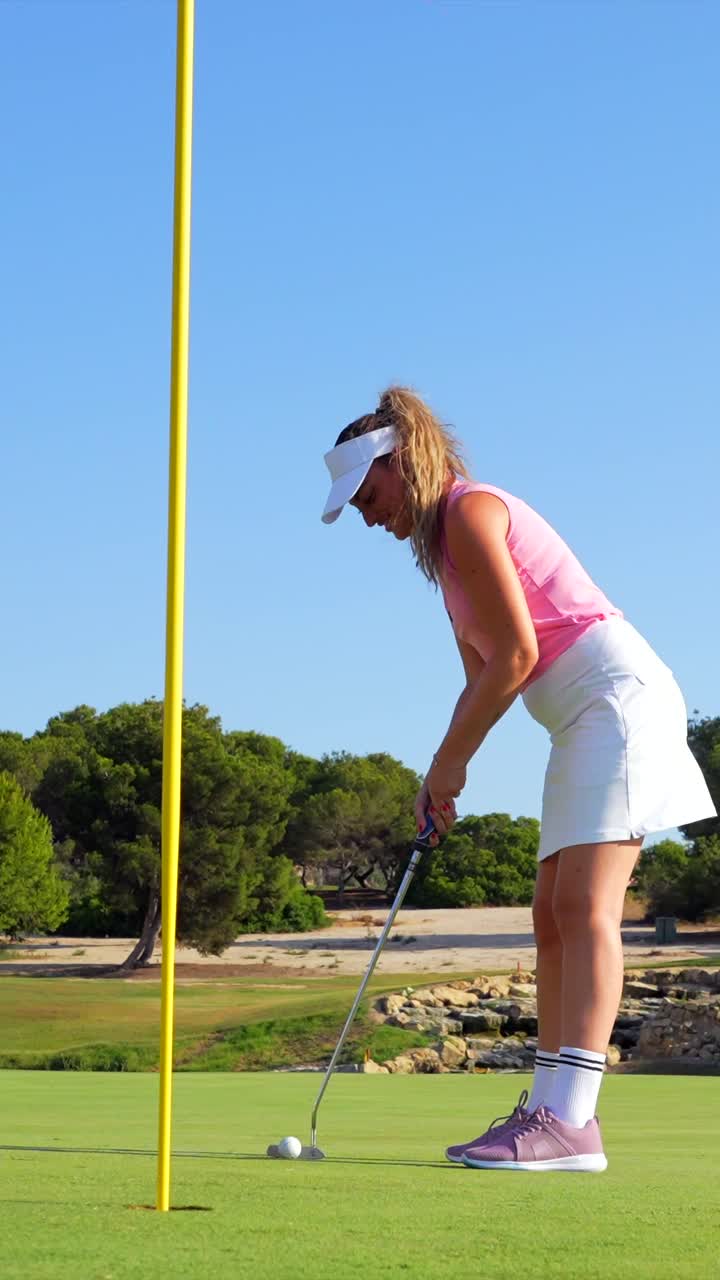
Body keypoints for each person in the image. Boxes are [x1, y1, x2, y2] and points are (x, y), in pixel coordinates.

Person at [320, 385, 716, 1173]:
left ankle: (574, 1122)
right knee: (548, 913)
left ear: (403, 464)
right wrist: (443, 783)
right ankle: (545, 1112)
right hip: (576, 720)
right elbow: (482, 680)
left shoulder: (473, 512)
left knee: (583, 904)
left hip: (617, 698)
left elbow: (517, 658)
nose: (368, 515)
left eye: (369, 495)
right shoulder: (444, 561)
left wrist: (447, 765)